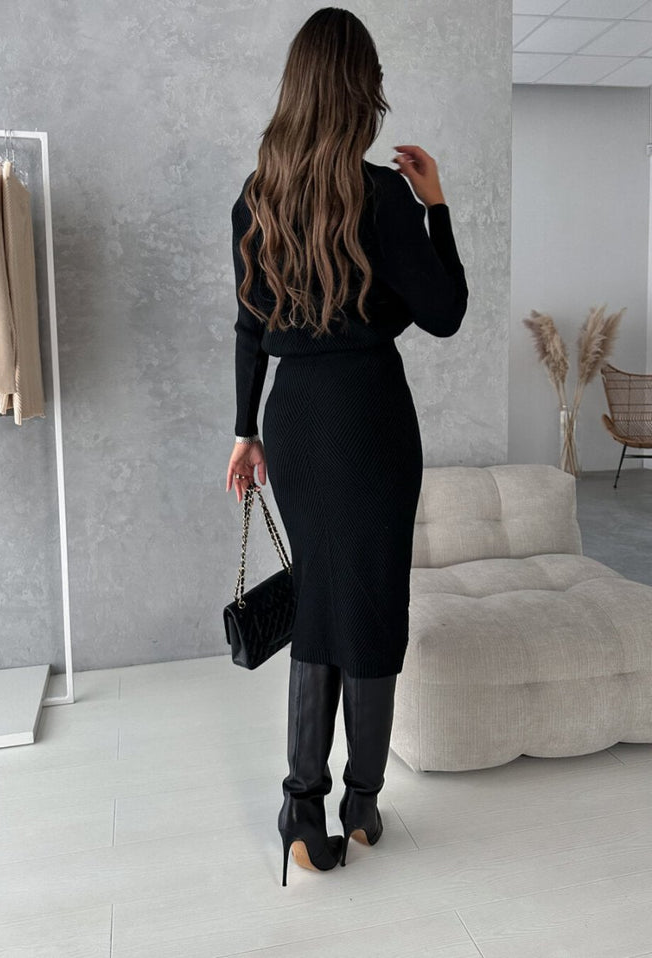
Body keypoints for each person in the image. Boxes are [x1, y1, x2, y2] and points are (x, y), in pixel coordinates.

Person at [225, 7, 468, 887]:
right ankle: (361, 805)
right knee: (370, 607)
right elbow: (445, 313)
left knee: (322, 604)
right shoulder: (384, 197)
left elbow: (248, 326)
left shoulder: (257, 197)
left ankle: (301, 809)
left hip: (295, 422)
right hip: (370, 420)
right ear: (361, 92)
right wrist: (436, 206)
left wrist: (246, 431)